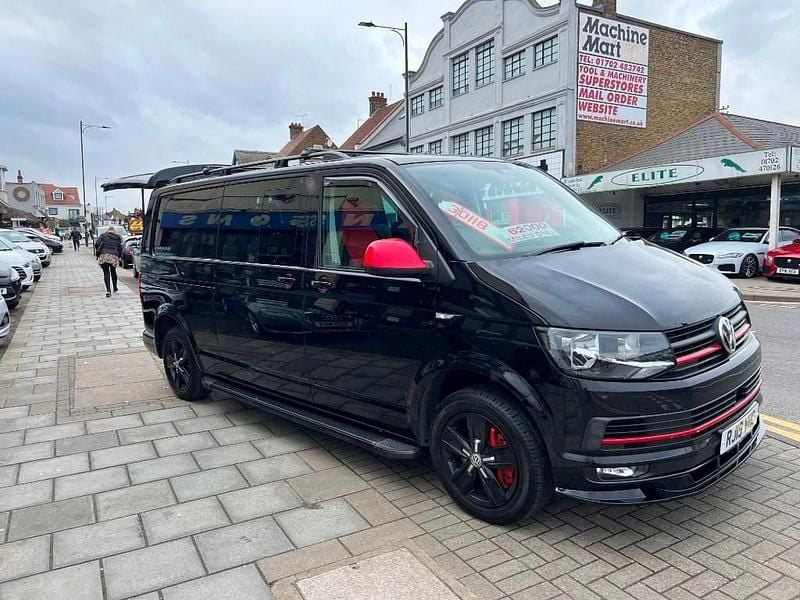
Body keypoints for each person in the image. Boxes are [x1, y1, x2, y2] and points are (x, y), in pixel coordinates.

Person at [95, 225, 123, 297]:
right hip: (114, 256)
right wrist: (119, 256)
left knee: (106, 273)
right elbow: (120, 248)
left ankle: (108, 290)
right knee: (113, 271)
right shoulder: (118, 237)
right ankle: (115, 287)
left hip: (104, 255)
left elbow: (97, 244)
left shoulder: (103, 236)